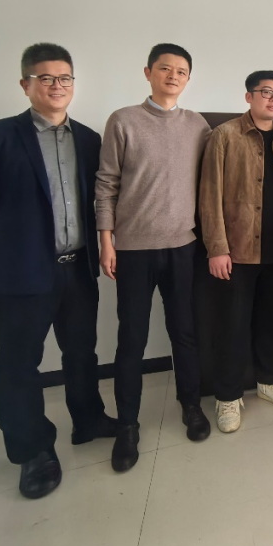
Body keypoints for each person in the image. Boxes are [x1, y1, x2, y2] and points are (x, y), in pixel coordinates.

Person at [0, 43, 115, 499]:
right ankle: (33, 451)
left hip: (77, 269)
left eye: (65, 78)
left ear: (73, 84)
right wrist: (14, 238)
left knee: (81, 352)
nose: (57, 86)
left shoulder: (89, 140)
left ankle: (88, 419)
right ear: (26, 85)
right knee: (19, 364)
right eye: (46, 78)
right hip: (21, 273)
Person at [97, 43, 213, 472]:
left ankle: (190, 405)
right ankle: (128, 425)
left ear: (188, 79)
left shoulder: (197, 125)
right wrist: (107, 241)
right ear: (148, 72)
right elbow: (106, 183)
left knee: (184, 332)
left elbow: (211, 180)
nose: (173, 76)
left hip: (183, 246)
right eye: (165, 68)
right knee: (132, 339)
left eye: (181, 71)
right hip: (133, 249)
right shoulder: (123, 120)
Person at [199, 71, 273, 434]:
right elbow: (209, 194)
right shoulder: (225, 135)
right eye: (266, 92)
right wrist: (217, 248)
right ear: (248, 96)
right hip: (237, 251)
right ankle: (227, 396)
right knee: (231, 326)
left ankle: (269, 381)